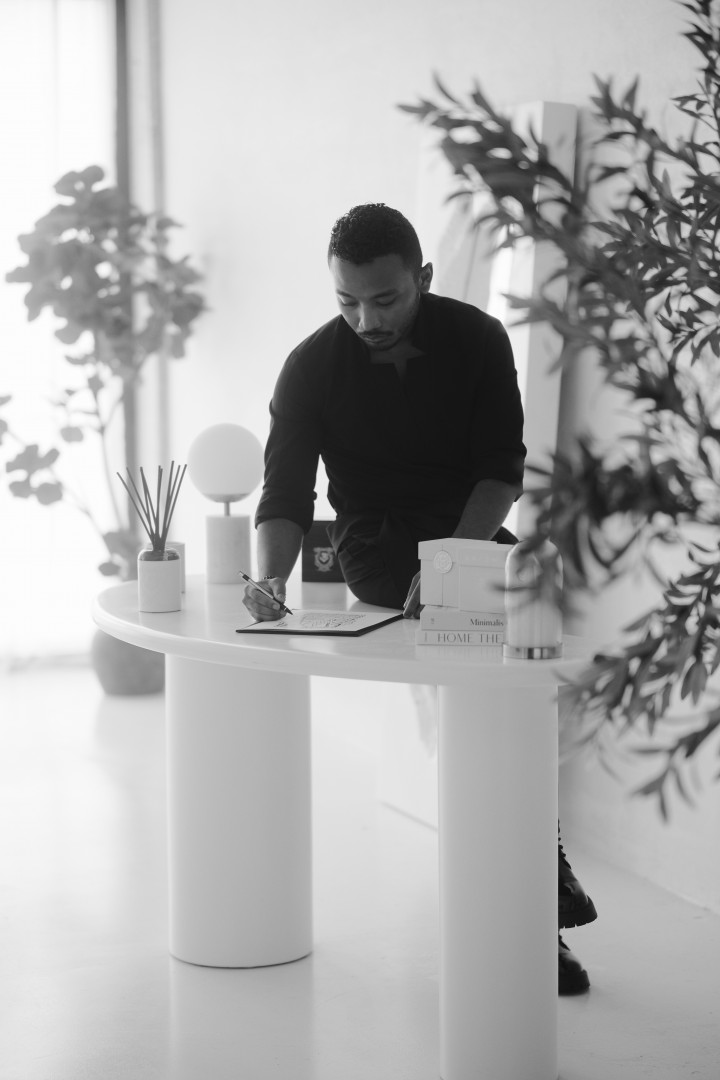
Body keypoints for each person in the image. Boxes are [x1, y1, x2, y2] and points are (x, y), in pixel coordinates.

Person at [243, 202, 597, 993]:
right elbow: (285, 496)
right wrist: (269, 579)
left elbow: (500, 470)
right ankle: (540, 897)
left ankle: (538, 897)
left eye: (385, 300)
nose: (366, 320)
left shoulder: (479, 339)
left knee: (517, 689)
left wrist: (455, 563)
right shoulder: (309, 367)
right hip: (376, 549)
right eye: (347, 301)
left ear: (424, 279)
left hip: (471, 534)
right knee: (480, 694)